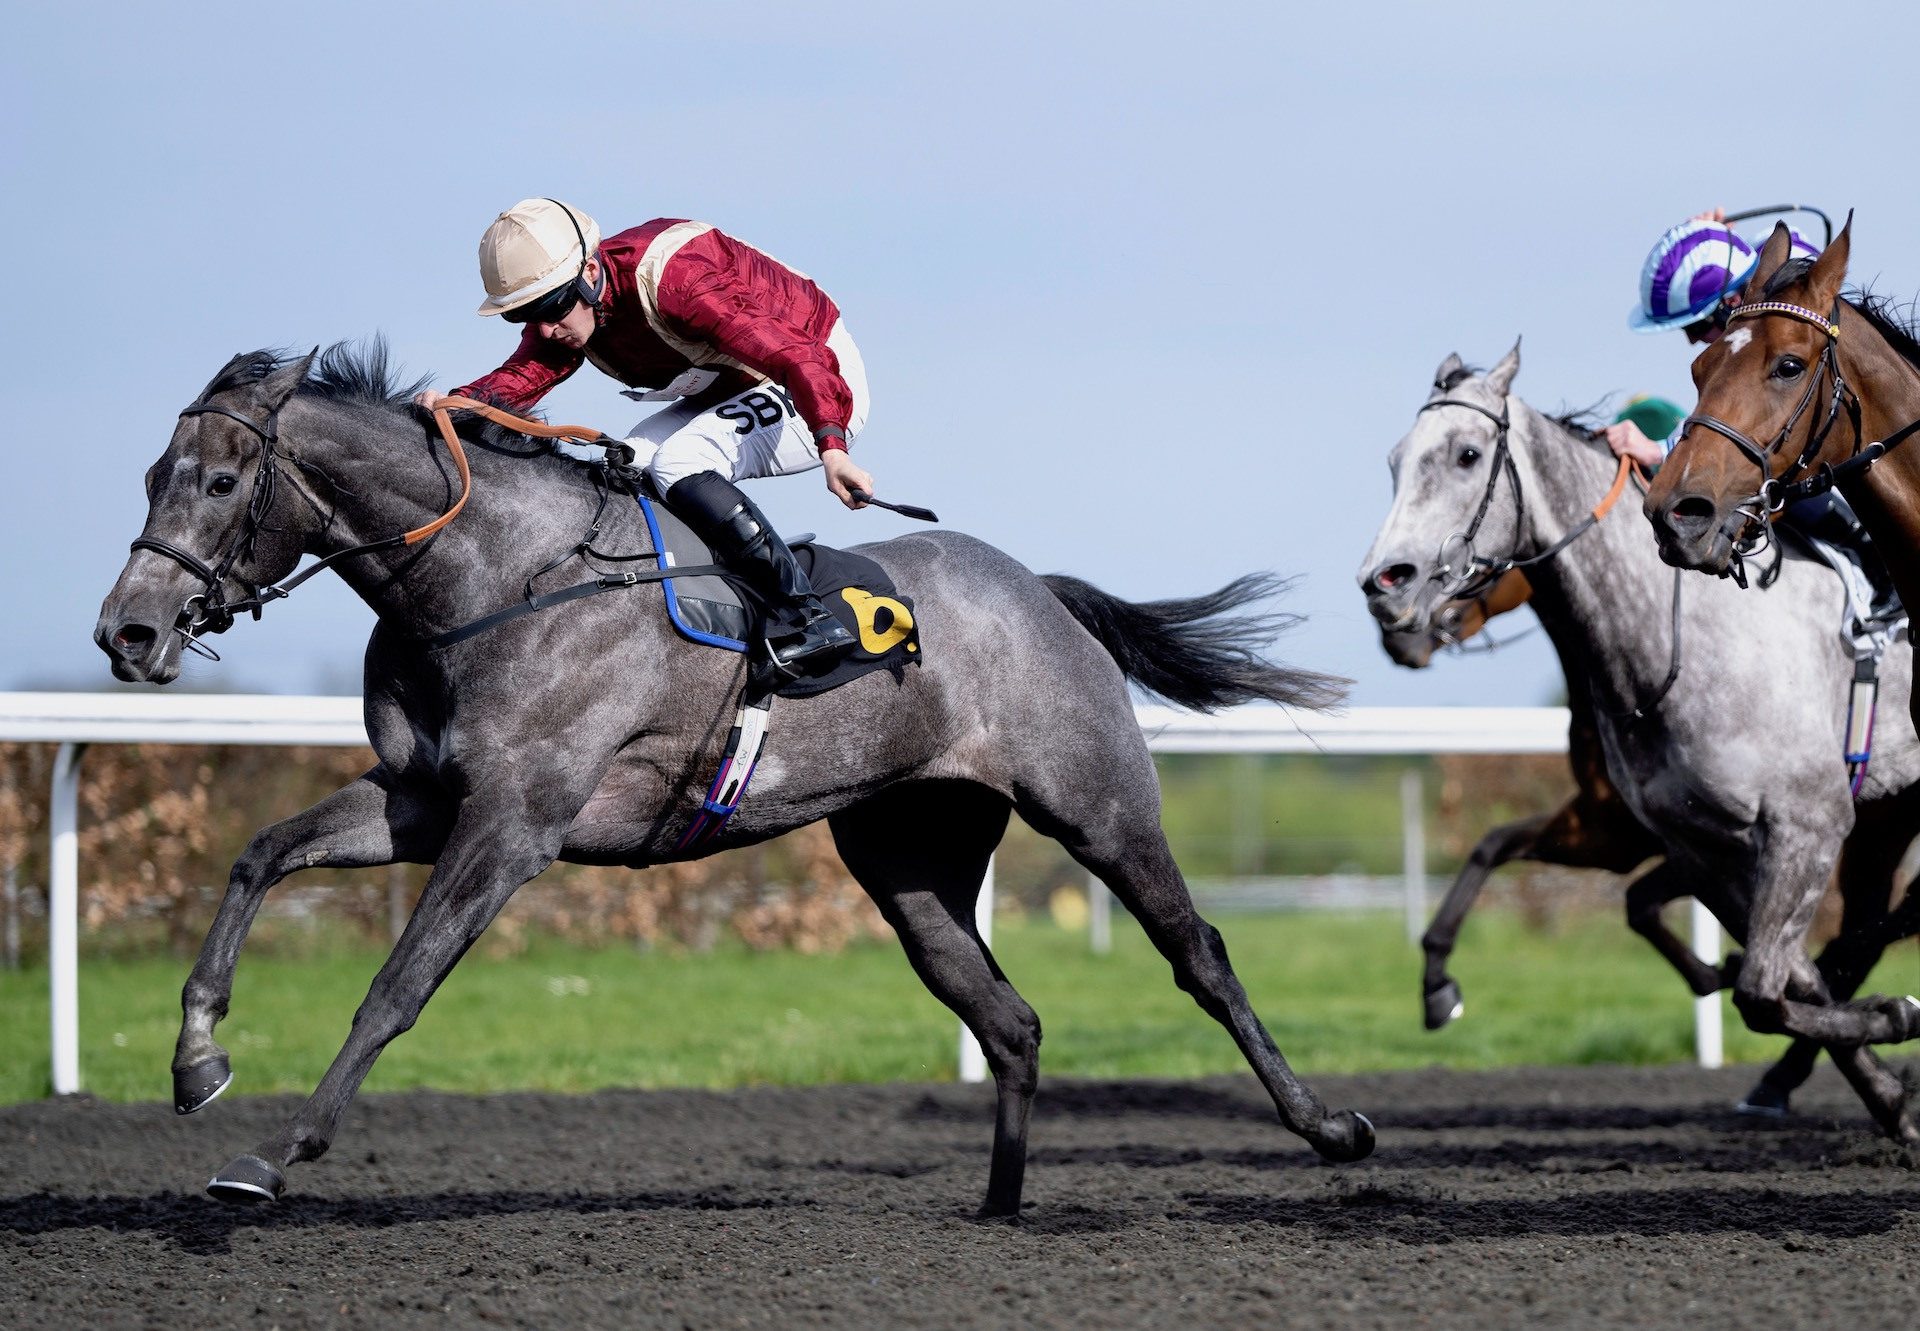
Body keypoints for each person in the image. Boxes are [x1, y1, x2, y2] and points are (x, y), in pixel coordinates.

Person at [417, 198, 868, 672]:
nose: (545, 330)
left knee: (679, 462)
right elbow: (522, 376)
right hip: (734, 384)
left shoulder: (679, 280)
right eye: (525, 315)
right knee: (626, 461)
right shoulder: (574, 305)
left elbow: (798, 357)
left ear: (590, 273)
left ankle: (809, 618)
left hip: (818, 373)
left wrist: (832, 448)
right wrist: (455, 404)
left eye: (550, 308)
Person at [1608, 210, 1891, 610]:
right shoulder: (1754, 281)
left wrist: (1659, 450)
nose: (1693, 341)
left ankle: (1874, 559)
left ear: (1730, 301)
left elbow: (1757, 405)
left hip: (1844, 437)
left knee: (1766, 466)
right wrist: (1714, 240)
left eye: (1695, 326)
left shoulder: (1788, 287)